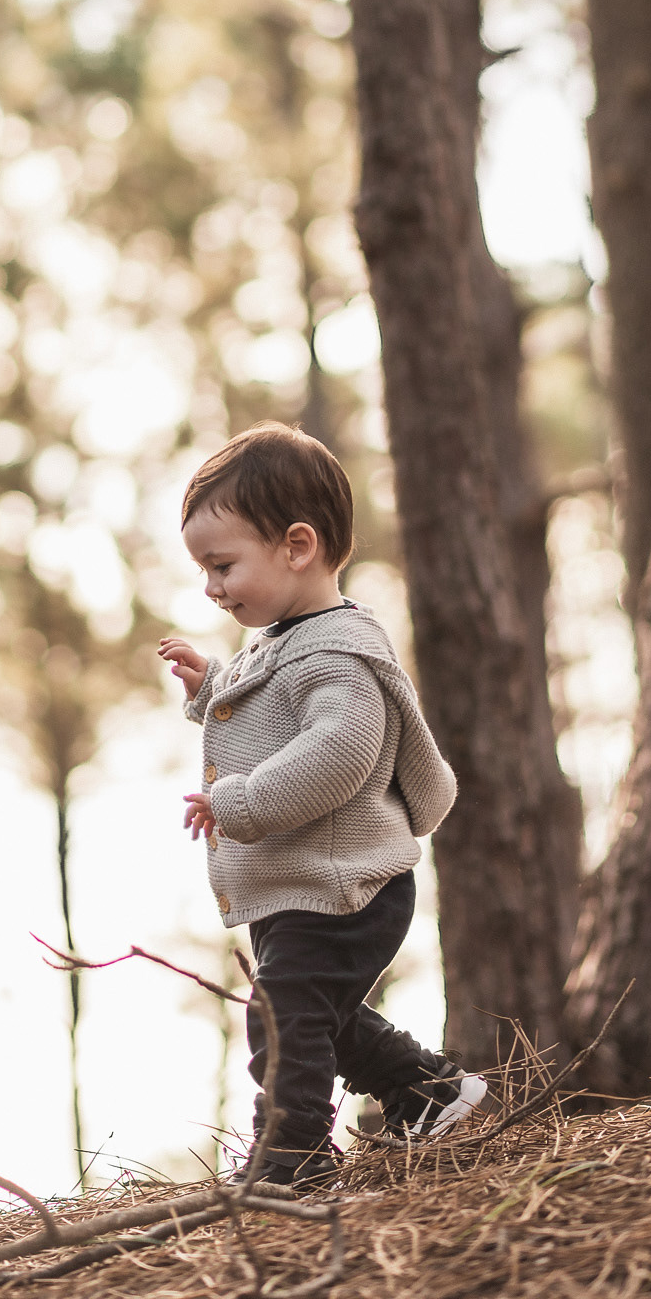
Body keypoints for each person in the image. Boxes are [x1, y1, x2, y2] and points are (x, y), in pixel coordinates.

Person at [158, 420, 486, 1189]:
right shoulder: (284, 642)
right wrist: (211, 689)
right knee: (319, 1016)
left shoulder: (336, 649)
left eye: (222, 565)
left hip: (345, 886)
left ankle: (292, 1155)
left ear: (297, 546)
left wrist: (237, 802)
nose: (210, 586)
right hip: (307, 881)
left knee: (284, 1015)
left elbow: (337, 753)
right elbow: (275, 723)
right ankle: (429, 1091)